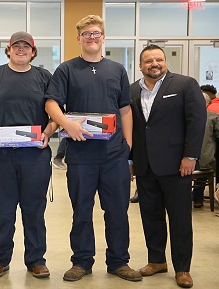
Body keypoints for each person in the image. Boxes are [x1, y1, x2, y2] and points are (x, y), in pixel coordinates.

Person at [44, 15, 141, 282]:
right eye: (86, 34)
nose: (92, 37)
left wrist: (128, 146)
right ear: (79, 39)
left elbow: (124, 109)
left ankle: (119, 261)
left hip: (113, 156)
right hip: (81, 156)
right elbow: (51, 104)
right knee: (82, 211)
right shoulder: (67, 70)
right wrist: (67, 125)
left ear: (103, 37)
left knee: (118, 211)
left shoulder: (117, 70)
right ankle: (82, 261)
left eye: (96, 33)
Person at [0, 31, 57, 279]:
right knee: (3, 211)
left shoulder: (44, 77)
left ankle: (36, 260)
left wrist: (47, 133)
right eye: (16, 46)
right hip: (1, 156)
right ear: (8, 50)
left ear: (33, 52)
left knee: (34, 211)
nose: (21, 50)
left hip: (35, 156)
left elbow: (56, 114)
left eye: (26, 46)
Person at [130, 44, 206, 288]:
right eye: (149, 60)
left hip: (177, 165)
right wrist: (131, 160)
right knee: (150, 216)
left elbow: (196, 122)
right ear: (140, 65)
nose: (155, 64)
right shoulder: (132, 90)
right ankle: (157, 261)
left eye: (159, 59)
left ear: (165, 61)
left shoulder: (185, 84)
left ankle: (182, 268)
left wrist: (191, 156)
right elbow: (131, 127)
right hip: (145, 165)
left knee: (180, 219)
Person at [192, 93, 219, 208]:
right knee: (208, 159)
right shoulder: (213, 117)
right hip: (204, 162)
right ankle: (198, 198)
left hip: (183, 160)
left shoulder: (184, 116)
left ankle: (196, 197)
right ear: (207, 104)